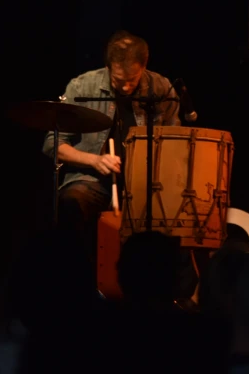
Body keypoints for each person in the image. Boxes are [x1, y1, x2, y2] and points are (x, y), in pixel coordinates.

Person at [43, 31, 179, 258]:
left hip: (146, 184)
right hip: (91, 181)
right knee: (72, 202)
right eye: (118, 81)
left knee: (174, 212)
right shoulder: (82, 86)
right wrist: (95, 160)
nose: (125, 88)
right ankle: (74, 277)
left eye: (131, 81)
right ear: (107, 67)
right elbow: (53, 144)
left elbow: (175, 144)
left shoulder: (161, 89)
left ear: (144, 65)